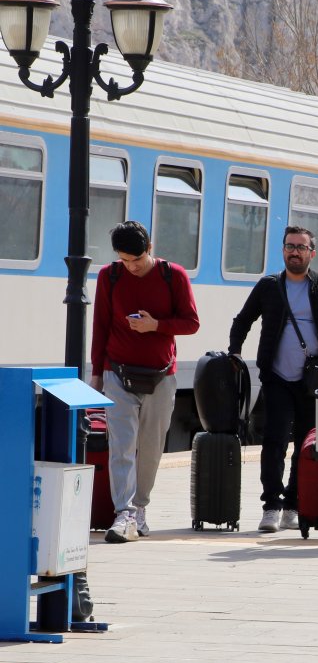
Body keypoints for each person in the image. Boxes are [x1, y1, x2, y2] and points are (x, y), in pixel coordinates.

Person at [89, 221, 200, 543]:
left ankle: (140, 507)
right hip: (117, 371)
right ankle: (123, 511)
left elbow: (191, 323)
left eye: (136, 260)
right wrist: (97, 372)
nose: (132, 267)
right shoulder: (109, 276)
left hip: (160, 375)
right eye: (125, 260)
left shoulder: (172, 275)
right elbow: (101, 325)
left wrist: (156, 326)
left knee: (150, 449)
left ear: (149, 249)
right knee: (121, 446)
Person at [229, 226, 318, 533]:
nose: (295, 252)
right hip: (277, 377)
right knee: (274, 442)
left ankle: (293, 504)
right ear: (283, 251)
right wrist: (234, 353)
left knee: (306, 444)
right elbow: (243, 320)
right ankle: (271, 506)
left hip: (313, 380)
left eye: (301, 247)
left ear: (312, 253)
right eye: (290, 246)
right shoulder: (269, 286)